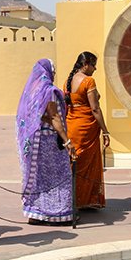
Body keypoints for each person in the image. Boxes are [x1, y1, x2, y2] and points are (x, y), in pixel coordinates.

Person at [16, 59, 76, 224]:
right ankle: (60, 213)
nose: (54, 74)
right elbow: (54, 117)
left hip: (35, 141)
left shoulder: (32, 91)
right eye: (53, 71)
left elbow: (32, 116)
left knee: (38, 177)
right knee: (59, 175)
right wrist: (66, 141)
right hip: (49, 141)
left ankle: (35, 213)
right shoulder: (49, 91)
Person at [65, 51, 109, 210]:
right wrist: (105, 131)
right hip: (86, 128)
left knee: (74, 163)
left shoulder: (67, 82)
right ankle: (82, 200)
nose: (95, 68)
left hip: (71, 127)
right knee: (86, 164)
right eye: (93, 65)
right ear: (85, 64)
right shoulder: (88, 81)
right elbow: (95, 109)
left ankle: (71, 199)